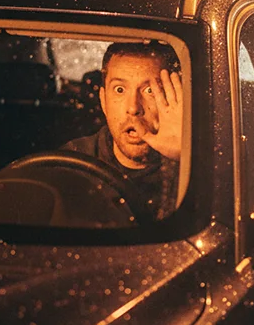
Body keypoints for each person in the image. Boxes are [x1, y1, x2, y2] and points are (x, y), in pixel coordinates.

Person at [62, 42, 183, 219]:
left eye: (150, 91)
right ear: (103, 101)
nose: (133, 108)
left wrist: (183, 156)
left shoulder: (196, 165)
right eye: (120, 90)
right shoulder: (69, 163)